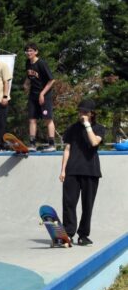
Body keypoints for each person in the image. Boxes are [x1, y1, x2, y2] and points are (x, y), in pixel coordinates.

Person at [59, 99, 104, 245]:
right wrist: (63, 170)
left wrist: (87, 125)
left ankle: (83, 235)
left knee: (87, 205)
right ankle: (68, 233)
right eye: (81, 111)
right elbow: (67, 149)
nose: (82, 114)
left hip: (91, 171)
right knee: (69, 203)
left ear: (92, 114)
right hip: (72, 169)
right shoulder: (72, 128)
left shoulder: (99, 128)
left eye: (85, 112)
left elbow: (94, 142)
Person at [23, 42, 57, 152]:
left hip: (44, 95)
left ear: (36, 52)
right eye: (27, 51)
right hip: (33, 95)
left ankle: (52, 144)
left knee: (48, 119)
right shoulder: (28, 63)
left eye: (31, 51)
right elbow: (29, 76)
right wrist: (26, 84)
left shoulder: (41, 63)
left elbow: (52, 80)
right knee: (32, 119)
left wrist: (42, 93)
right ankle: (32, 144)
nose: (28, 53)